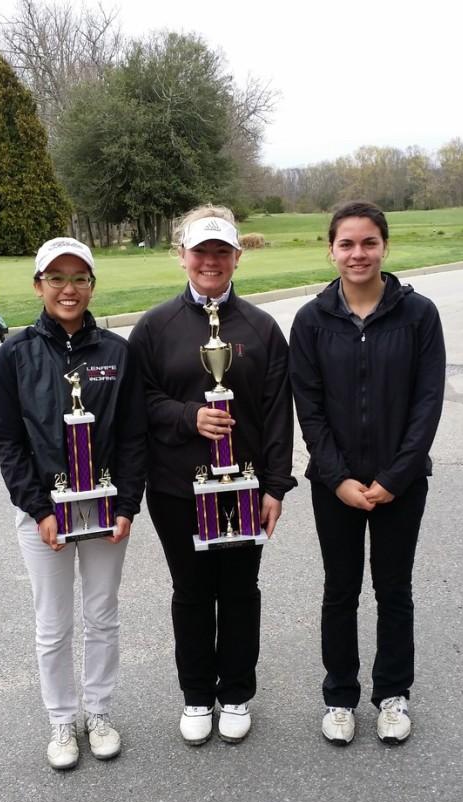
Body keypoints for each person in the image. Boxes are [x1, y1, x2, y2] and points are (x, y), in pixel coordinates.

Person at [0, 237, 147, 770]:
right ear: (39, 286)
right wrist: (40, 508)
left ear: (92, 286)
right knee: (53, 625)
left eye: (79, 278)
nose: (68, 289)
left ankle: (98, 713)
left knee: (102, 616)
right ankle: (60, 720)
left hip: (104, 511)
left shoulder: (117, 353)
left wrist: (126, 506)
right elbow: (6, 438)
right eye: (57, 278)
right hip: (42, 514)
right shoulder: (16, 351)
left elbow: (134, 437)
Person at [129, 205, 296, 746]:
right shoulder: (155, 327)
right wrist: (187, 416)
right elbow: (140, 402)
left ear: (236, 258)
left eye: (221, 251)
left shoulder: (262, 328)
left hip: (245, 486)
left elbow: (276, 412)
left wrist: (275, 485)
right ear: (182, 256)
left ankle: (237, 692)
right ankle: (198, 694)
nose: (210, 261)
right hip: (178, 488)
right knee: (193, 591)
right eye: (200, 251)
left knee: (242, 589)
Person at [289, 201, 446, 746]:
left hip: (401, 482)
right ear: (331, 249)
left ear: (385, 246)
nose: (358, 254)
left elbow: (427, 404)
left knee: (394, 588)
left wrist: (395, 478)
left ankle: (393, 693)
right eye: (347, 244)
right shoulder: (312, 320)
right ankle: (339, 696)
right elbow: (308, 408)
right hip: (335, 485)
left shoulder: (418, 314)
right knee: (340, 589)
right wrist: (337, 478)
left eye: (369, 243)